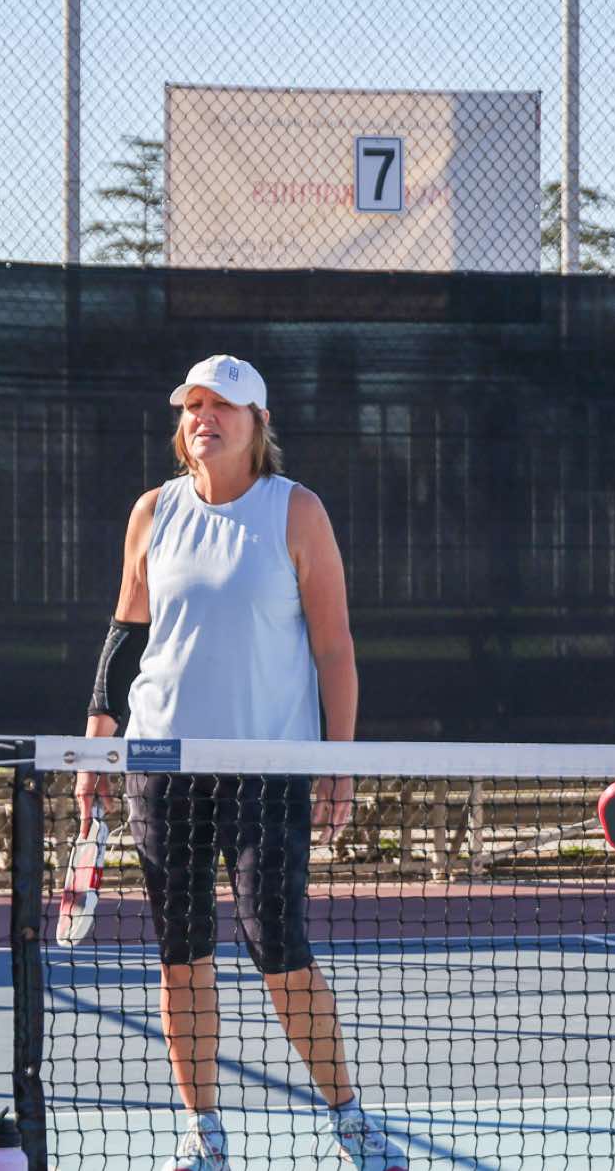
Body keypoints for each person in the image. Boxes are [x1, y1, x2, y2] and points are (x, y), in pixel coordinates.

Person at [73, 355, 405, 1171]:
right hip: (161, 764)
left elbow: (335, 647)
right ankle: (204, 1130)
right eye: (192, 405)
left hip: (266, 767)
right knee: (180, 952)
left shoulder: (297, 512)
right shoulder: (153, 511)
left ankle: (349, 1118)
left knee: (275, 941)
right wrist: (94, 744)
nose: (204, 418)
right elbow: (125, 638)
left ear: (258, 423)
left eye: (222, 406)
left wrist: (339, 760)